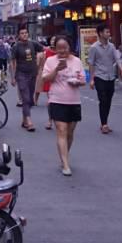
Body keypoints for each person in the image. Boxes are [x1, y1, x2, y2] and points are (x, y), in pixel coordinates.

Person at [38, 36, 86, 176]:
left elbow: (83, 79)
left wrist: (78, 82)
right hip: (57, 100)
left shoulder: (76, 61)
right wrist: (57, 69)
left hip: (74, 101)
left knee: (70, 133)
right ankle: (65, 164)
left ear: (69, 47)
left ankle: (64, 155)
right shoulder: (50, 61)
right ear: (55, 49)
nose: (62, 51)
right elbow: (45, 79)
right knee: (61, 130)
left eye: (64, 48)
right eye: (59, 48)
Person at [88, 24, 122, 134]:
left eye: (109, 32)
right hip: (99, 76)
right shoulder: (94, 48)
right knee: (103, 99)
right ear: (100, 33)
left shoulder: (112, 46)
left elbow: (117, 59)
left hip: (111, 77)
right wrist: (92, 79)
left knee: (108, 101)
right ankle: (104, 124)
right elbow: (91, 64)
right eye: (107, 32)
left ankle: (104, 122)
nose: (109, 34)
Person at [9, 25, 41, 131]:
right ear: (19, 35)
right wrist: (13, 77)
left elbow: (43, 50)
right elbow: (12, 62)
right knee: (25, 98)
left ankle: (24, 120)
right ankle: (29, 121)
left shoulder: (33, 44)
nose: (24, 35)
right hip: (21, 74)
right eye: (22, 33)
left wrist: (40, 62)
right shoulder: (16, 46)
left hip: (32, 73)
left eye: (26, 33)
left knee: (30, 99)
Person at [34, 41, 57, 130]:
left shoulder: (66, 57)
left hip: (52, 76)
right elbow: (38, 64)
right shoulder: (45, 54)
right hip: (46, 74)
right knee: (50, 98)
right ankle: (50, 120)